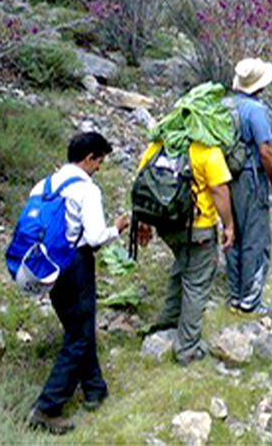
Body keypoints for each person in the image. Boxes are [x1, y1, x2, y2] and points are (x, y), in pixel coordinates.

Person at [27, 132, 129, 435]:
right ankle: (47, 407)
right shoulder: (86, 190)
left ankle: (95, 390)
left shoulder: (43, 185)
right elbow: (96, 236)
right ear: (89, 158)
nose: (99, 167)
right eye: (99, 161)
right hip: (76, 263)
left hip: (47, 263)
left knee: (77, 328)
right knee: (79, 336)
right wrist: (118, 228)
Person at [138, 136, 236, 364]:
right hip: (197, 229)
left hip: (166, 225)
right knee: (197, 283)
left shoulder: (159, 145)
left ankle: (168, 322)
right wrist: (229, 225)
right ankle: (187, 349)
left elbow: (142, 181)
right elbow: (219, 189)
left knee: (181, 267)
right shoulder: (207, 150)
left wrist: (144, 221)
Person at [226, 57, 272, 314]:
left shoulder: (224, 105)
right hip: (251, 179)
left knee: (232, 234)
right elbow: (266, 152)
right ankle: (251, 299)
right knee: (256, 238)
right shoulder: (256, 110)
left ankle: (235, 295)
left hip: (226, 178)